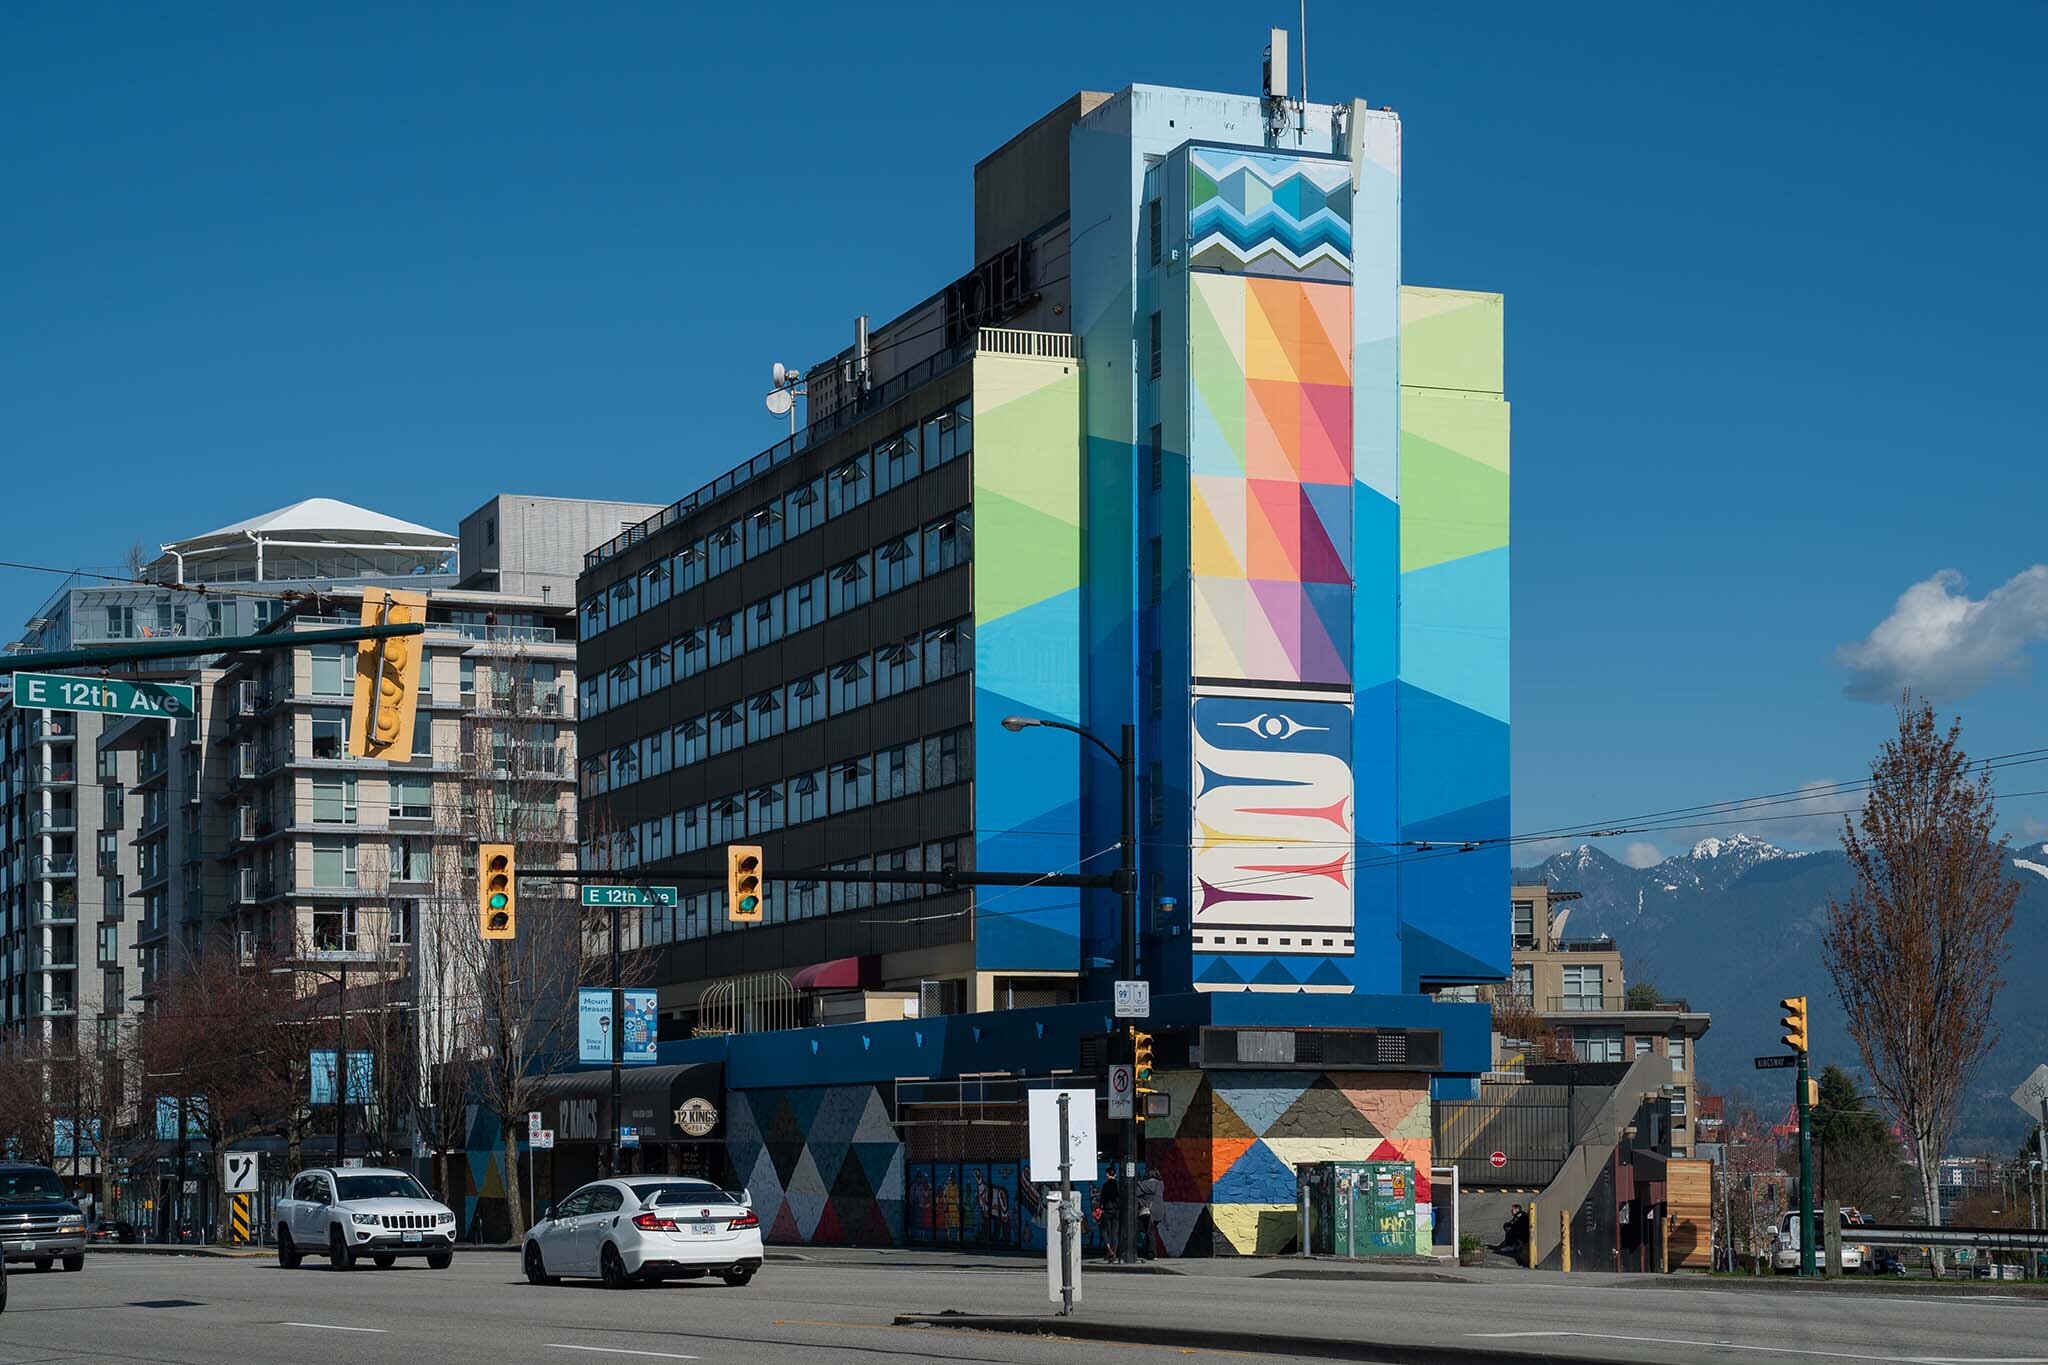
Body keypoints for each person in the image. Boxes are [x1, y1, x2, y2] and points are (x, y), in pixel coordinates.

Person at [1134, 1170, 1163, 1261]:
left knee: (1149, 1232)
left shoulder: (1143, 1184)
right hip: (1159, 1211)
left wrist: (1143, 1203)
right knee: (1150, 1231)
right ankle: (1148, 1251)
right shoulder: (1160, 1184)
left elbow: (1135, 1194)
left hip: (1148, 1211)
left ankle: (1152, 1253)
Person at [1097, 1173, 1122, 1263]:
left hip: (1107, 1211)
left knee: (1104, 1231)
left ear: (1107, 1175)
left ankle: (1109, 1250)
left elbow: (1102, 1199)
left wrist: (1100, 1207)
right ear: (1115, 1175)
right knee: (1114, 1233)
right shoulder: (1118, 1185)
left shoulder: (1105, 1185)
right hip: (1116, 1211)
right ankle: (1114, 1254)